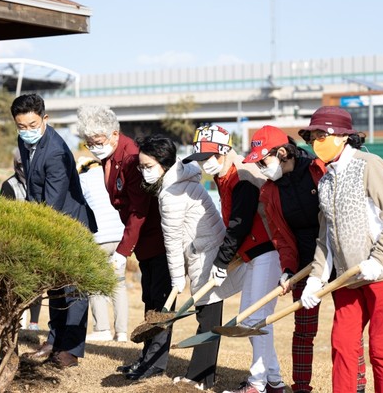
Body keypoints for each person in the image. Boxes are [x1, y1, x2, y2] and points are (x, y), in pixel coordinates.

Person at [243, 125, 367, 393]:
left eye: (263, 162)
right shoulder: (269, 191)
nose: (262, 169)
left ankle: (357, 386)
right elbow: (281, 237)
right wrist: (287, 269)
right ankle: (301, 387)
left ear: (284, 153)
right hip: (303, 264)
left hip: (340, 258)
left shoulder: (318, 169)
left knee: (349, 327)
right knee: (304, 330)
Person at [299, 106, 383, 393]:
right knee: (342, 344)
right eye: (312, 136)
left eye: (321, 134)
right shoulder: (324, 180)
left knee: (381, 347)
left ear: (343, 137)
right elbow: (326, 237)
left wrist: (378, 259)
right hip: (348, 276)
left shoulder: (369, 165)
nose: (316, 142)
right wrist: (316, 278)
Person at [137, 135, 246, 391]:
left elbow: (173, 241)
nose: (145, 172)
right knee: (208, 316)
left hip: (205, 254)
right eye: (141, 167)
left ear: (164, 164)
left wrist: (176, 279)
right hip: (206, 249)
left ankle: (198, 378)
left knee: (208, 317)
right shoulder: (179, 179)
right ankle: (204, 376)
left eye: (149, 166)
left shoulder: (172, 193)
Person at [182, 125, 286, 393]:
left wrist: (220, 263)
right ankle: (273, 382)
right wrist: (227, 260)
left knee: (254, 319)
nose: (204, 165)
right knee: (254, 319)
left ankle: (257, 384)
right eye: (200, 160)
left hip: (268, 250)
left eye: (208, 158)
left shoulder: (242, 176)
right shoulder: (225, 174)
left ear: (224, 151)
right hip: (254, 253)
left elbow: (238, 225)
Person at [76, 104, 171, 381]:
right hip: (143, 241)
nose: (94, 147)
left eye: (98, 141)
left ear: (114, 134)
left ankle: (155, 361)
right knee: (148, 299)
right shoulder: (111, 157)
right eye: (89, 143)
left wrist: (122, 250)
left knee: (159, 302)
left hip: (156, 237)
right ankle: (147, 356)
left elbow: (139, 210)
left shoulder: (131, 157)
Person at [13, 93, 97, 369]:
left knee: (74, 291)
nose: (27, 132)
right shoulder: (25, 141)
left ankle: (69, 350)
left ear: (45, 119)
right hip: (48, 218)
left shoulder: (57, 153)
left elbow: (53, 202)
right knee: (56, 289)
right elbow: (32, 190)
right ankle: (54, 339)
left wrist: (36, 233)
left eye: (32, 125)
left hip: (70, 224)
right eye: (21, 126)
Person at [76, 156, 128, 343]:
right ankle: (121, 332)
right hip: (120, 237)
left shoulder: (84, 179)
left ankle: (102, 329)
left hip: (99, 239)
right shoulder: (112, 176)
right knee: (119, 284)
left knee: (96, 286)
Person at [0, 148, 42, 332]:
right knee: (15, 285)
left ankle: (33, 323)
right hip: (17, 242)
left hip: (38, 241)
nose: (24, 168)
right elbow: (3, 216)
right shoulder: (9, 185)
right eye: (20, 165)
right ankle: (14, 321)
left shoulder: (42, 181)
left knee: (37, 285)